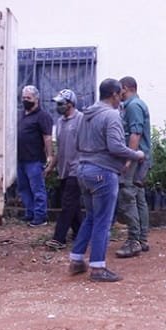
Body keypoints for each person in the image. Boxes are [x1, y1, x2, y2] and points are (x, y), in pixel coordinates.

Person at [68, 78, 145, 283]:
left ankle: (76, 260)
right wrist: (136, 155)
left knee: (91, 217)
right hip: (103, 172)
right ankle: (98, 268)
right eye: (120, 95)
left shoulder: (86, 114)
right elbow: (115, 147)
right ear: (114, 94)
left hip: (83, 170)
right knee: (103, 221)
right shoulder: (111, 115)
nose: (121, 99)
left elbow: (77, 142)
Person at [115, 76, 153, 258]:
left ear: (125, 88)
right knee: (138, 197)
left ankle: (134, 240)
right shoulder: (136, 105)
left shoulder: (133, 106)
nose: (117, 94)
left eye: (119, 90)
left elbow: (135, 134)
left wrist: (128, 159)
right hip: (141, 158)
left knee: (128, 196)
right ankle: (142, 239)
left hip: (136, 159)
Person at [44, 89, 84, 250]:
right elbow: (59, 149)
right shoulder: (60, 122)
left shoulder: (81, 120)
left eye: (61, 103)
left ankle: (58, 238)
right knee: (71, 204)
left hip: (78, 168)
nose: (58, 106)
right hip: (64, 169)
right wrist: (50, 167)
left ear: (70, 103)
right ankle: (81, 232)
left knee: (67, 204)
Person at [17, 85, 54, 227]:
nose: (25, 100)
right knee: (24, 188)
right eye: (24, 98)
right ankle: (30, 213)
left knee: (37, 189)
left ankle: (40, 217)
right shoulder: (21, 115)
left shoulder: (42, 116)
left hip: (35, 160)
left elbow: (47, 138)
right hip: (21, 159)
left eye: (28, 98)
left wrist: (49, 156)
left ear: (36, 99)